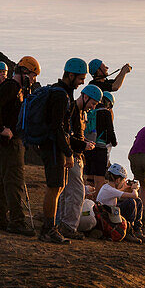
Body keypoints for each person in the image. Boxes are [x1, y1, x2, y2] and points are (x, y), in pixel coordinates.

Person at [35, 58, 89, 244]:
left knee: (57, 187)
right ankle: (48, 230)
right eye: (81, 78)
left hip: (55, 146)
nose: (82, 82)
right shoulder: (60, 96)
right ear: (71, 75)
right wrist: (67, 152)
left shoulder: (63, 94)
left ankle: (51, 228)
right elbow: (57, 128)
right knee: (54, 187)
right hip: (53, 148)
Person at [0, 56, 41, 237]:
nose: (33, 79)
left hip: (7, 142)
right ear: (24, 71)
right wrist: (2, 129)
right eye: (33, 75)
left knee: (4, 178)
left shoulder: (14, 87)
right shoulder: (12, 87)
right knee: (14, 179)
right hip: (9, 142)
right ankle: (17, 221)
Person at [57, 83, 102, 240]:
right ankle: (69, 227)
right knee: (77, 192)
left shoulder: (79, 112)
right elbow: (67, 135)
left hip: (74, 155)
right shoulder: (73, 111)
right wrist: (83, 145)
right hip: (71, 156)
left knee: (65, 192)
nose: (93, 106)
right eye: (93, 103)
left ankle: (60, 224)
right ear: (85, 96)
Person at [95, 163, 145, 244]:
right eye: (123, 180)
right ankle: (128, 232)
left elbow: (118, 193)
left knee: (138, 201)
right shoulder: (110, 189)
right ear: (117, 180)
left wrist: (125, 187)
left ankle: (137, 231)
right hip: (108, 216)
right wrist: (135, 188)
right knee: (131, 202)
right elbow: (134, 195)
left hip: (111, 212)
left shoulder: (107, 187)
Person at [83, 90, 116, 192]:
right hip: (100, 149)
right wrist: (114, 142)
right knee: (99, 177)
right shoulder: (106, 112)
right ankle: (96, 202)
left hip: (88, 146)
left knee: (88, 176)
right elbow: (110, 130)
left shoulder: (89, 111)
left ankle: (86, 199)